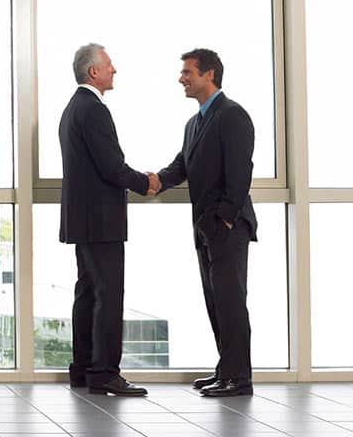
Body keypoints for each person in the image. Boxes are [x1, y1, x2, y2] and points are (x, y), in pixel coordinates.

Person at [156, 48, 258, 397]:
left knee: (230, 302)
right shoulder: (194, 123)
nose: (181, 79)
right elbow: (180, 166)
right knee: (216, 302)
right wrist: (152, 181)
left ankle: (239, 378)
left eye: (188, 72)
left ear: (209, 75)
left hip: (227, 227)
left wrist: (226, 220)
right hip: (205, 228)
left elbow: (241, 172)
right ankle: (225, 370)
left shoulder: (232, 115)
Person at [59, 43, 158, 396]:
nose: (115, 70)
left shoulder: (73, 108)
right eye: (110, 65)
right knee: (108, 296)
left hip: (82, 221)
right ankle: (104, 373)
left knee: (87, 294)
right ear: (94, 72)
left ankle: (84, 369)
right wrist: (146, 182)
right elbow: (112, 167)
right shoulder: (93, 109)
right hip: (101, 222)